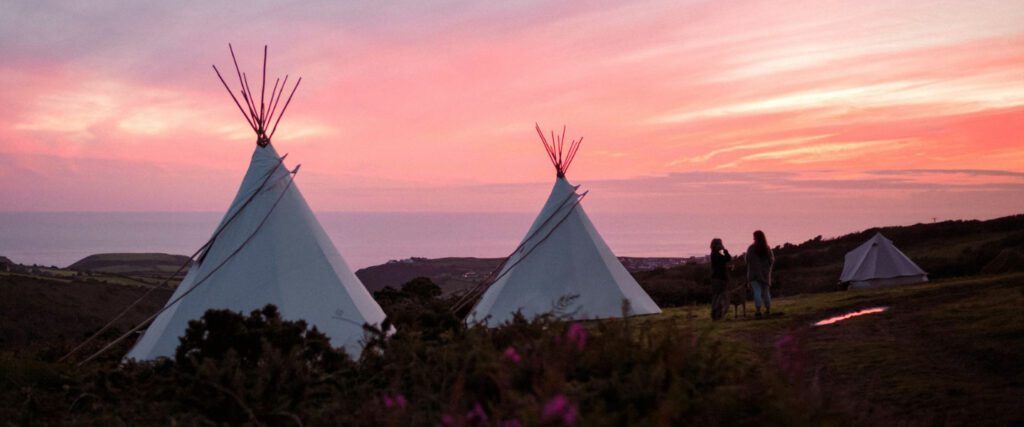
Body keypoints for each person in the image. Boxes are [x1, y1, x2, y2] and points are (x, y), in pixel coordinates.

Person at [746, 230, 774, 317]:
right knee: (766, 292)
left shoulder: (751, 248)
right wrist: (766, 269)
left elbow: (747, 260)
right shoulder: (767, 248)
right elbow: (771, 260)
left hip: (754, 274)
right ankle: (768, 310)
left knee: (757, 291)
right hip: (765, 274)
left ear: (755, 237)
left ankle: (758, 311)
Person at [709, 238, 731, 320]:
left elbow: (721, 264)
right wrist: (725, 250)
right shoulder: (717, 255)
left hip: (715, 278)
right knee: (721, 296)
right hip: (720, 278)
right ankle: (717, 313)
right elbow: (728, 258)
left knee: (716, 296)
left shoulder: (713, 254)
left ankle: (715, 313)